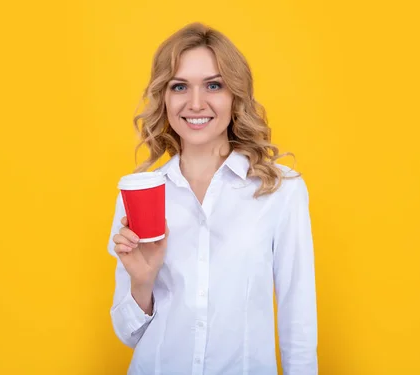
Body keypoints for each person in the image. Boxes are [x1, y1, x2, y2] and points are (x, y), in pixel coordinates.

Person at [108, 22, 318, 375]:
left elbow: (299, 322)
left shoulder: (280, 191)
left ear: (235, 95)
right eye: (179, 86)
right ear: (164, 97)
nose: (195, 103)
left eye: (213, 85)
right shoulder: (140, 194)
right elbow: (129, 334)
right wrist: (142, 280)